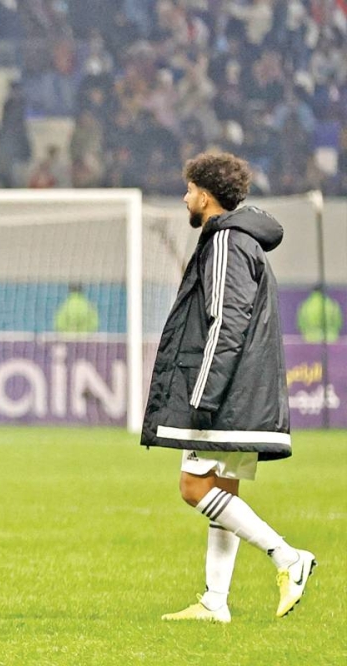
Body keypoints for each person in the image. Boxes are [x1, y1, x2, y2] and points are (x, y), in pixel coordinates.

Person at [142, 152, 316, 624]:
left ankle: (288, 557)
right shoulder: (243, 240)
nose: (184, 198)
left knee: (193, 487)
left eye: (189, 190)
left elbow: (226, 320)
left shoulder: (224, 241)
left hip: (225, 393)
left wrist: (204, 393)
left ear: (205, 195)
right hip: (242, 390)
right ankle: (215, 601)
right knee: (223, 490)